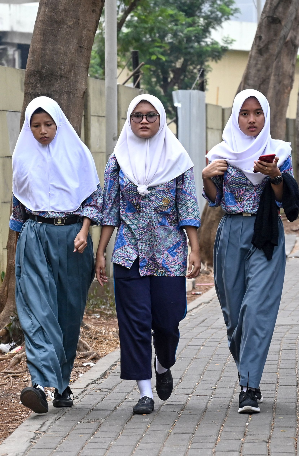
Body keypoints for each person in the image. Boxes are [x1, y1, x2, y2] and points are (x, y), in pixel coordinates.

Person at [95, 95, 201, 415]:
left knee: (168, 323)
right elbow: (109, 209)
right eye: (137, 116)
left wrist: (195, 249)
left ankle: (164, 363)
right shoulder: (117, 161)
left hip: (168, 253)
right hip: (129, 254)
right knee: (135, 323)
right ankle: (144, 392)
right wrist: (101, 252)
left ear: (161, 120)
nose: (143, 121)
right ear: (129, 121)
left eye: (151, 116)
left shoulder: (177, 159)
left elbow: (188, 207)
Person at [202, 89, 299, 415]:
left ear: (266, 116)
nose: (252, 119)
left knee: (256, 308)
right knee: (234, 316)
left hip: (266, 233)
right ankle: (248, 369)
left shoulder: (279, 152)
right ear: (236, 117)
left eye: (258, 112)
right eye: (245, 113)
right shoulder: (220, 152)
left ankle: (249, 386)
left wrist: (275, 177)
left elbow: (288, 200)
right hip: (230, 231)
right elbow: (214, 199)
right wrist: (206, 178)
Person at [11, 96, 101, 413]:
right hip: (35, 237)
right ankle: (40, 384)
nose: (42, 131)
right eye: (35, 125)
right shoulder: (23, 157)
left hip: (73, 237)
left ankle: (61, 386)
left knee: (68, 313)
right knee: (37, 310)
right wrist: (18, 250)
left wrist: (84, 230)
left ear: (59, 124)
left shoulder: (78, 153)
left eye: (48, 124)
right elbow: (18, 206)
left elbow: (93, 198)